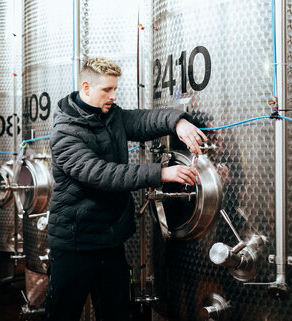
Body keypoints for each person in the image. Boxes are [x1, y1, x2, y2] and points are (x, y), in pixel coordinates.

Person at [45, 57, 207, 321]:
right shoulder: (65, 133)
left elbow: (144, 121)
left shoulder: (111, 116)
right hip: (76, 243)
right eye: (106, 90)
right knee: (62, 314)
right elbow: (102, 174)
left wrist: (178, 122)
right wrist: (161, 173)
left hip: (110, 240)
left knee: (118, 313)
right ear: (86, 88)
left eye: (115, 89)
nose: (113, 96)